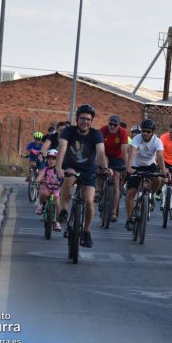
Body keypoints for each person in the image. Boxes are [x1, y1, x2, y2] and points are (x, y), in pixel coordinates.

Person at [55, 104, 112, 248]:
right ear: (77, 119)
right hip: (71, 167)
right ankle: (64, 210)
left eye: (88, 119)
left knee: (89, 202)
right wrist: (58, 167)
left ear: (91, 121)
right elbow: (62, 148)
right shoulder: (68, 131)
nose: (85, 121)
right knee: (69, 179)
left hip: (89, 170)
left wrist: (105, 168)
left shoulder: (96, 134)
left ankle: (86, 232)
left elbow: (100, 153)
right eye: (82, 118)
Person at [124, 119, 168, 231]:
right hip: (136, 166)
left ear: (152, 132)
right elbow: (132, 153)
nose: (145, 133)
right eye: (143, 131)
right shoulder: (136, 139)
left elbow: (159, 156)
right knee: (131, 192)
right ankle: (129, 219)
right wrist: (129, 168)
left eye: (148, 131)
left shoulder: (157, 141)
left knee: (158, 179)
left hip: (150, 165)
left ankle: (151, 195)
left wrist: (163, 170)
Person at [98, 114, 128, 222]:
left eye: (115, 125)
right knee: (102, 167)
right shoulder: (103, 130)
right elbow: (99, 149)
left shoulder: (122, 132)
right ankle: (99, 189)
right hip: (105, 154)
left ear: (118, 125)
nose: (112, 127)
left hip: (117, 156)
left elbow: (124, 151)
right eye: (110, 124)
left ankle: (114, 211)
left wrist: (127, 166)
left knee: (115, 179)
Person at [35, 149, 63, 232]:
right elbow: (41, 175)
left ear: (58, 160)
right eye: (49, 159)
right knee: (42, 193)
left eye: (54, 159)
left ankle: (57, 222)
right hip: (46, 187)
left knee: (58, 205)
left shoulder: (60, 170)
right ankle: (40, 204)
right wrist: (38, 179)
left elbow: (64, 177)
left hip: (56, 189)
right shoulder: (45, 169)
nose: (51, 161)